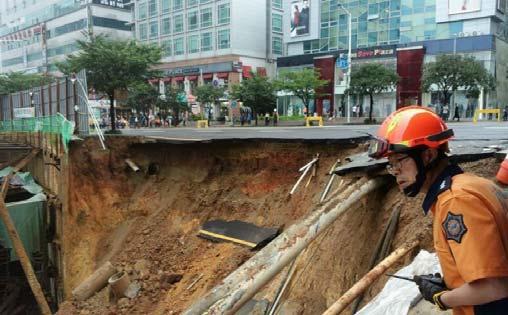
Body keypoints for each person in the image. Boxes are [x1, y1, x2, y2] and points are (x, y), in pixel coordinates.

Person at [368, 106, 508, 315]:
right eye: (391, 164)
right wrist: (450, 283)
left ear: (428, 155)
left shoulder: (456, 201)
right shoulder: (469, 184)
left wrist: (441, 298)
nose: (395, 171)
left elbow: (493, 287)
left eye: (400, 160)